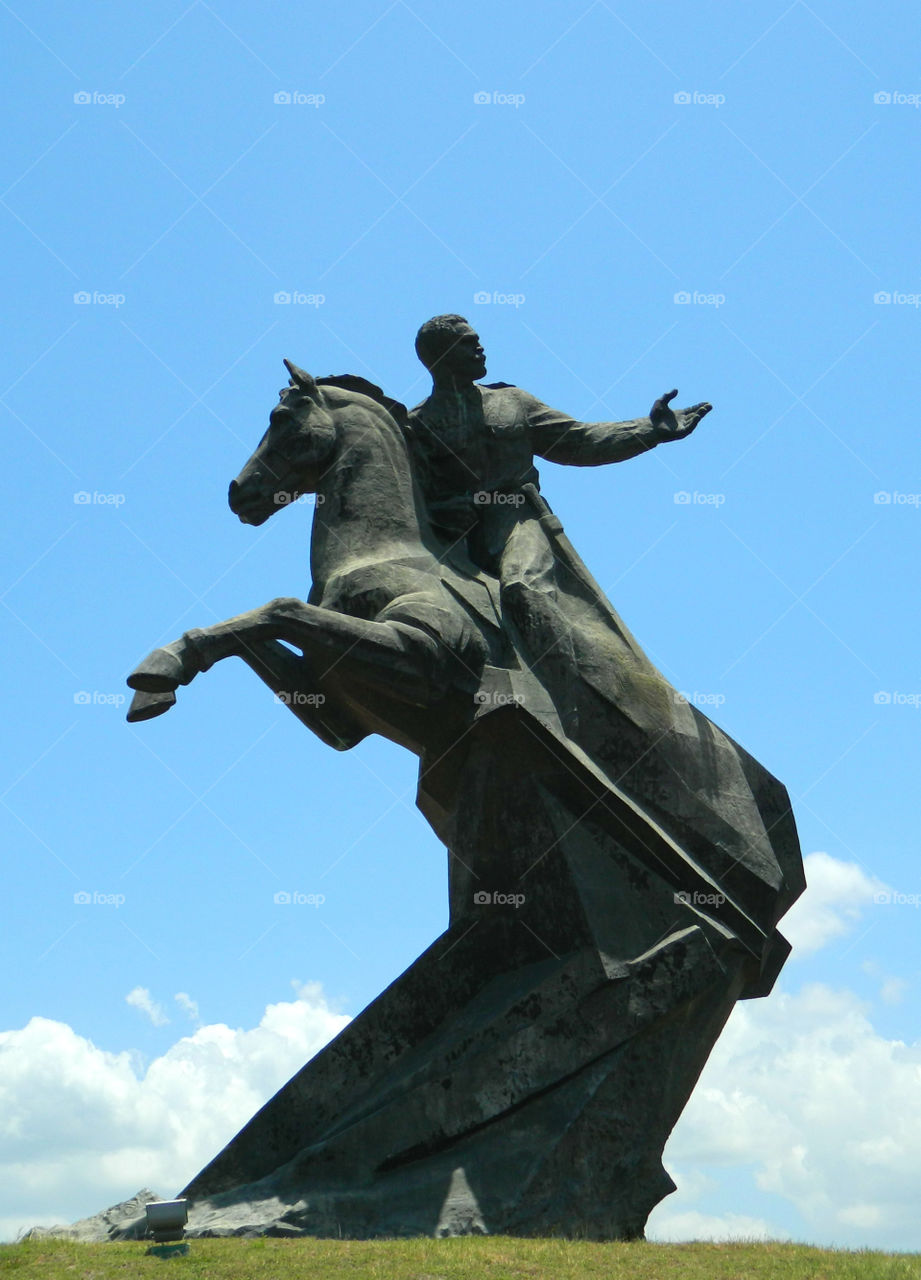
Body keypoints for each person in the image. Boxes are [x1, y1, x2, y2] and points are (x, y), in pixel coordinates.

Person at [406, 313, 711, 574]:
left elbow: (580, 442)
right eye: (467, 342)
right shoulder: (415, 424)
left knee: (524, 584)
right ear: (441, 354)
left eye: (477, 340)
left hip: (515, 518)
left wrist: (651, 430)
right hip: (448, 532)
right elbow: (407, 493)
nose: (480, 347)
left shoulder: (512, 402)